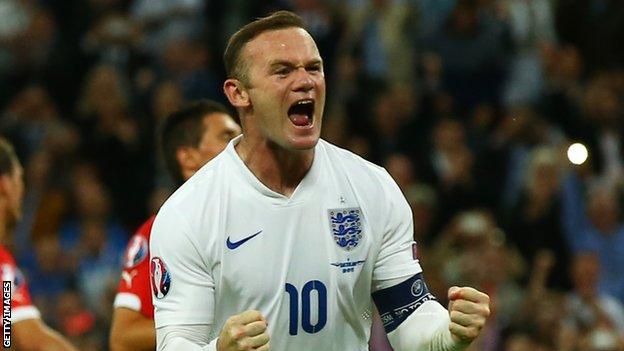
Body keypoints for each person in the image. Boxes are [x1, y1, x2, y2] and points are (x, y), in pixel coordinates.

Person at [150, 11, 490, 351]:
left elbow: (409, 317)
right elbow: (176, 343)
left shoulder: (372, 188)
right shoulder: (189, 212)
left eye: (314, 68)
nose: (305, 81)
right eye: (282, 71)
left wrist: (450, 334)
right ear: (239, 93)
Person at [109, 100, 241, 351]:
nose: (241, 143)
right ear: (189, 158)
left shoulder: (263, 215)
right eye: (227, 136)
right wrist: (215, 330)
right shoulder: (159, 230)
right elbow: (123, 336)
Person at [0, 137, 78, 350]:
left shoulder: (4, 264)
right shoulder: (2, 267)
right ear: (5, 184)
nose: (22, 190)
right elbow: (35, 341)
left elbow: (7, 333)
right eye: (20, 179)